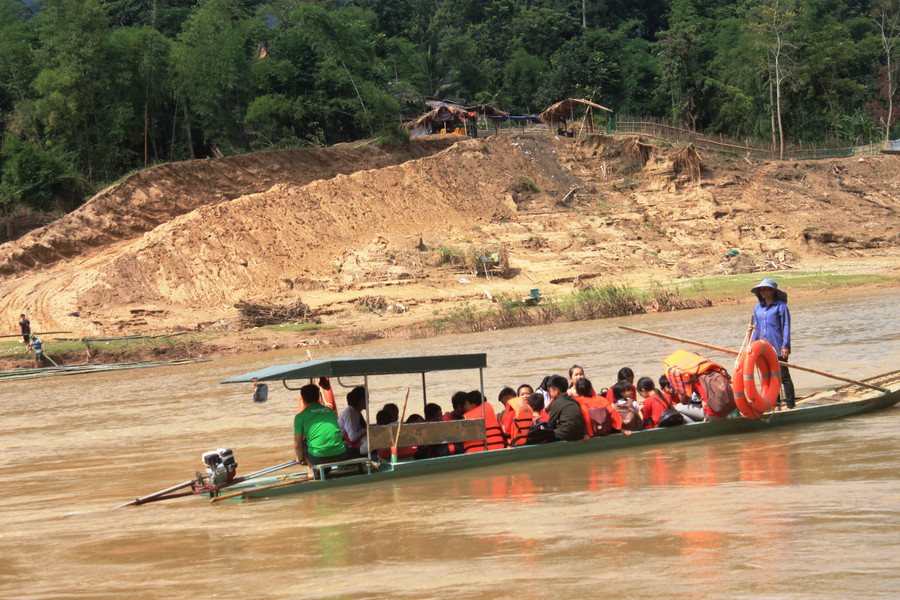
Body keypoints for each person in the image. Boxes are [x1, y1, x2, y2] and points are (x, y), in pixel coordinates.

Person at [750, 277, 794, 409]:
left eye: (766, 289)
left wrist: (785, 345)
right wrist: (752, 345)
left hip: (778, 346)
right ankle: (776, 404)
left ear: (773, 291)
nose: (763, 292)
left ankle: (791, 405)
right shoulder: (758, 308)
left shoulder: (781, 307)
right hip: (764, 348)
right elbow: (755, 328)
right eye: (761, 290)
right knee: (769, 377)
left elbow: (786, 326)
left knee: (783, 376)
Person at [293, 384, 349, 477]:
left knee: (303, 443)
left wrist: (300, 458)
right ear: (318, 396)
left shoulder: (300, 417)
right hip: (341, 454)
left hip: (318, 458)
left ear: (302, 399)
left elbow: (297, 443)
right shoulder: (330, 411)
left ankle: (312, 470)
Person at [545, 375, 585, 442]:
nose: (549, 393)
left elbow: (551, 423)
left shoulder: (557, 403)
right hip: (580, 434)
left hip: (566, 435)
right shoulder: (573, 399)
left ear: (556, 390)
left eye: (550, 391)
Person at [338, 386, 368, 457]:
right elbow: (353, 437)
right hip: (344, 448)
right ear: (361, 401)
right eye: (367, 399)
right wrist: (366, 430)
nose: (368, 402)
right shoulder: (350, 413)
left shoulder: (356, 412)